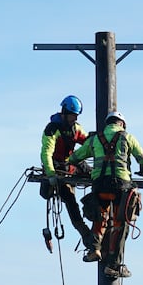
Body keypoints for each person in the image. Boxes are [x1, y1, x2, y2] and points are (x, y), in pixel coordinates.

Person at [66, 111, 143, 278]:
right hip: (121, 186)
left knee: (100, 217)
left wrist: (83, 168)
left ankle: (94, 249)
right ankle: (113, 264)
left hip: (100, 186)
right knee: (121, 223)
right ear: (122, 124)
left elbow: (74, 158)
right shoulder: (127, 137)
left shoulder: (95, 139)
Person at [40, 95, 99, 258]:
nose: (75, 118)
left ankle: (99, 222)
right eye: (73, 115)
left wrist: (97, 143)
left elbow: (87, 143)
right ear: (65, 112)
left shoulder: (76, 128)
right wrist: (51, 174)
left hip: (71, 164)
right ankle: (87, 236)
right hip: (57, 167)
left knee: (96, 175)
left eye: (76, 116)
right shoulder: (52, 129)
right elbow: (46, 153)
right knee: (70, 200)